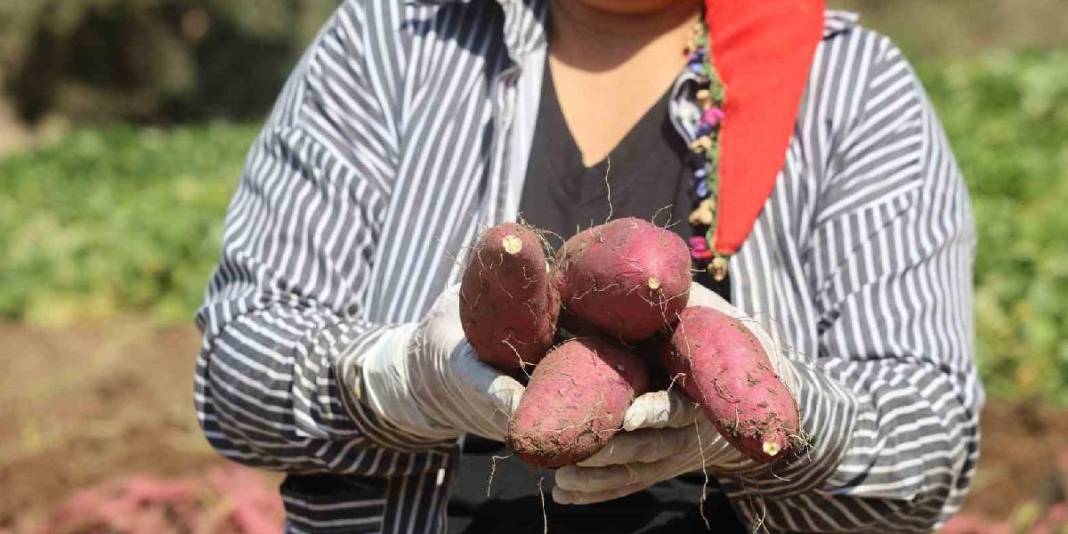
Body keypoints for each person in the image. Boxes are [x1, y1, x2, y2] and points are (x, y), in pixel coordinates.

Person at [192, 0, 982, 532]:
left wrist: (785, 416)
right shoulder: (388, 44)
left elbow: (932, 439)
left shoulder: (850, 86)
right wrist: (398, 382)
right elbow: (236, 373)